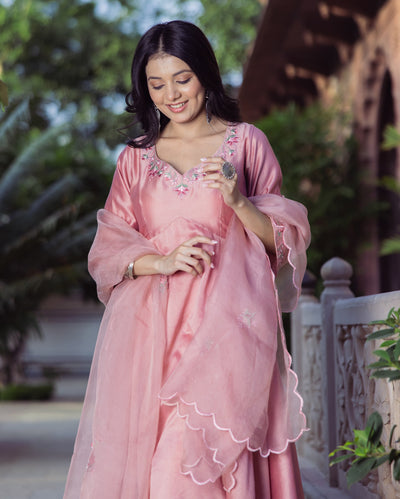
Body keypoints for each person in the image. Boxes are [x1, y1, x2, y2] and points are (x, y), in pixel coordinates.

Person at [63, 20, 310, 499]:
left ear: (204, 74)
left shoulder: (247, 143)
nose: (171, 95)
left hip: (228, 334)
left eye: (182, 79)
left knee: (195, 466)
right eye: (156, 84)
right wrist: (160, 261)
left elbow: (282, 244)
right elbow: (107, 252)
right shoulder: (135, 160)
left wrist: (238, 201)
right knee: (156, 471)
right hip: (151, 340)